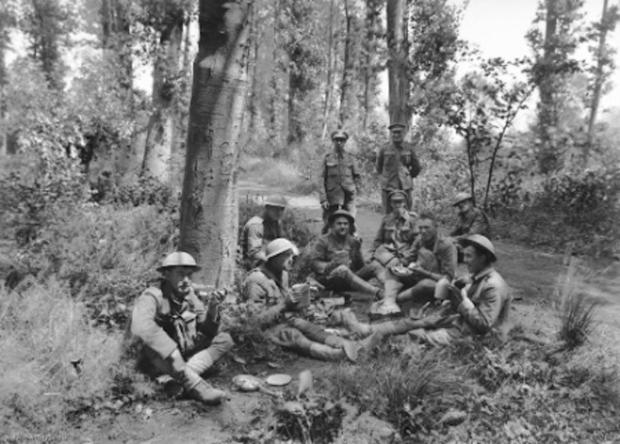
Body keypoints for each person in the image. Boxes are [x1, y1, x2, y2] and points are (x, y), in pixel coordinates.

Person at [333, 234, 511, 347]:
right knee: (413, 321)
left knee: (415, 336)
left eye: (469, 256)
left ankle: (366, 344)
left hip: (480, 337)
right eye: (465, 256)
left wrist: (462, 303)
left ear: (483, 258)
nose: (465, 261)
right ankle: (365, 329)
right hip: (462, 322)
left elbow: (484, 325)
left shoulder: (493, 286)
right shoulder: (477, 276)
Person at [131, 252, 233, 405]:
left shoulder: (189, 295)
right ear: (167, 274)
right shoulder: (152, 296)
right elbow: (141, 326)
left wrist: (213, 308)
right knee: (152, 347)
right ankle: (195, 385)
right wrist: (170, 350)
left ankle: (177, 378)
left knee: (224, 339)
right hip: (156, 359)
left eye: (189, 275)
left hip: (180, 357)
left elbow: (207, 332)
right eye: (180, 274)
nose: (186, 280)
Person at [241, 238, 361, 361]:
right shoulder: (256, 281)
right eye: (287, 256)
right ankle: (331, 354)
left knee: (304, 325)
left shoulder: (283, 274)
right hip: (266, 330)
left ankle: (345, 344)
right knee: (292, 334)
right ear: (274, 257)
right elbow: (254, 322)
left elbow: (288, 305)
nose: (291, 260)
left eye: (292, 256)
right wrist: (284, 305)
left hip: (283, 320)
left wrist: (302, 297)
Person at [372, 212, 457, 316]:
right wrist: (400, 263)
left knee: (425, 284)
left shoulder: (447, 246)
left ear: (436, 227)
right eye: (420, 228)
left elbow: (447, 278)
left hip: (435, 284)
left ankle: (393, 299)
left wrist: (424, 272)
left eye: (427, 228)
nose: (423, 231)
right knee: (391, 268)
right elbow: (409, 258)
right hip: (417, 275)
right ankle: (390, 303)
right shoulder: (420, 239)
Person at [310, 210, 383, 300]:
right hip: (331, 279)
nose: (343, 226)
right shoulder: (322, 241)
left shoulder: (352, 241)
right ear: (332, 225)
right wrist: (332, 264)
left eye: (345, 224)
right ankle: (377, 292)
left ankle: (392, 289)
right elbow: (315, 264)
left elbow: (360, 266)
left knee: (375, 266)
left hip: (351, 278)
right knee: (343, 269)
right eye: (339, 224)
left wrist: (357, 250)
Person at [357, 189, 418, 286]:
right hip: (386, 256)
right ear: (391, 204)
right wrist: (370, 255)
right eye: (395, 202)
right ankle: (345, 281)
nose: (397, 205)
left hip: (403, 258)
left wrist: (406, 259)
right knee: (369, 268)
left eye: (400, 202)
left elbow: (417, 244)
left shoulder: (412, 220)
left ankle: (388, 287)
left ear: (405, 203)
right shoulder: (386, 219)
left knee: (387, 274)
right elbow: (378, 240)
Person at [319, 130, 361, 233]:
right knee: (328, 223)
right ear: (333, 141)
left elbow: (357, 176)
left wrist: (355, 192)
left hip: (348, 195)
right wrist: (323, 199)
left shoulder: (351, 158)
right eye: (336, 140)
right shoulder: (327, 158)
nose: (339, 142)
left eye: (341, 140)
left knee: (350, 222)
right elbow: (321, 178)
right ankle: (324, 240)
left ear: (345, 141)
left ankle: (353, 239)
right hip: (332, 195)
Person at [376, 123, 422, 213]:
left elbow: (416, 166)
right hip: (388, 186)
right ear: (391, 134)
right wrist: (385, 177)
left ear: (403, 134)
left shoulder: (409, 148)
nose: (396, 135)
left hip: (405, 186)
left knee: (406, 213)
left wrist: (408, 176)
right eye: (394, 132)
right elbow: (379, 167)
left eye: (399, 132)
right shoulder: (384, 148)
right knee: (388, 214)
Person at [241, 196, 287, 269]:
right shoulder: (256, 225)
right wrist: (275, 261)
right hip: (255, 266)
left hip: (269, 261)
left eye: (282, 209)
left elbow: (280, 244)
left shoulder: (276, 223)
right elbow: (254, 253)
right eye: (275, 209)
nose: (279, 212)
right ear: (267, 208)